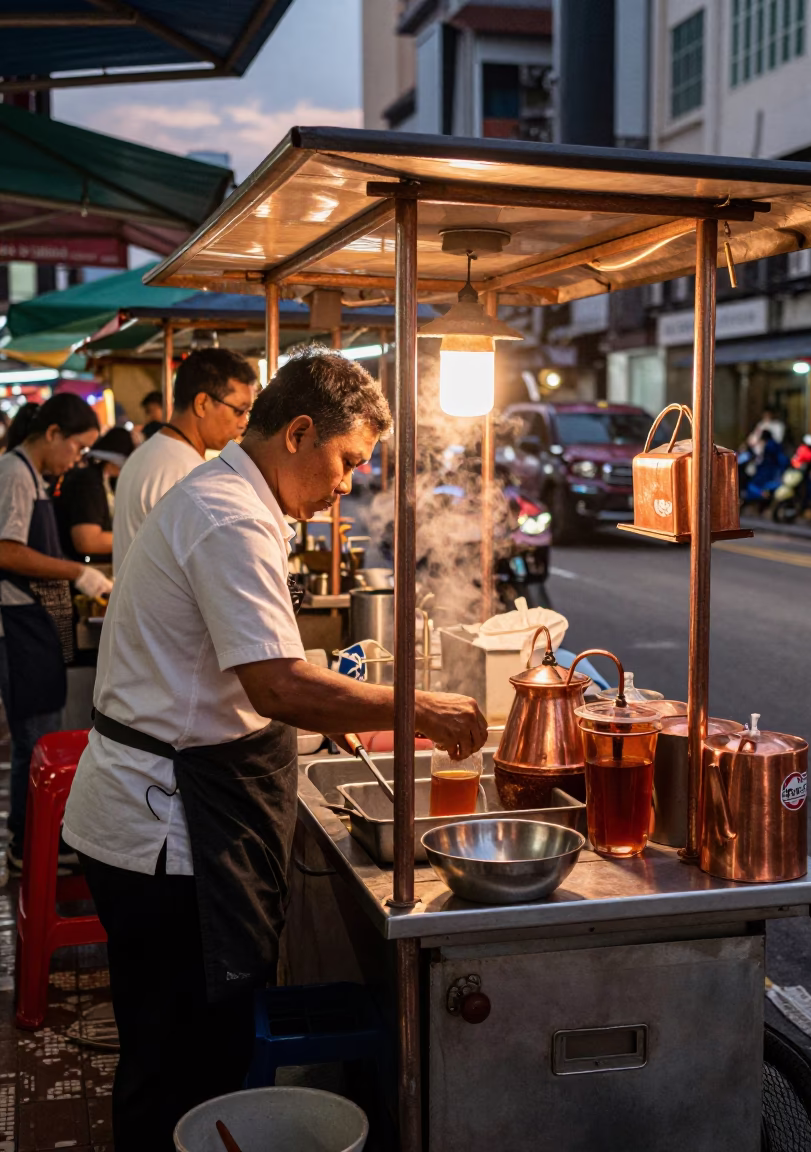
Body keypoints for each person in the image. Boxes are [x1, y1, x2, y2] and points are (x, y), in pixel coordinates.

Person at [63, 348, 486, 1151]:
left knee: (179, 1054)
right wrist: (417, 708)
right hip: (164, 831)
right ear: (298, 432)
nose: (349, 484)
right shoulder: (229, 514)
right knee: (178, 1061)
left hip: (166, 810)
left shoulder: (228, 497)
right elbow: (277, 688)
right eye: (349, 460)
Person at [0, 394, 113, 873]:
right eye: (77, 448)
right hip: (20, 621)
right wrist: (76, 572)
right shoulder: (13, 472)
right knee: (33, 740)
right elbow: (6, 551)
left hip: (36, 622)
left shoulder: (34, 475)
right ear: (52, 435)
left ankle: (37, 839)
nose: (77, 459)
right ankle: (28, 845)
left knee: (39, 734)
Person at [112, 350, 258, 571]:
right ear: (202, 403)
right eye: (239, 411)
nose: (243, 423)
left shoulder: (149, 452)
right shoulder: (188, 474)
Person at [54, 426, 135, 563]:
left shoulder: (102, 479)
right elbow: (88, 541)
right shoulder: (88, 482)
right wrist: (135, 539)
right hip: (81, 569)